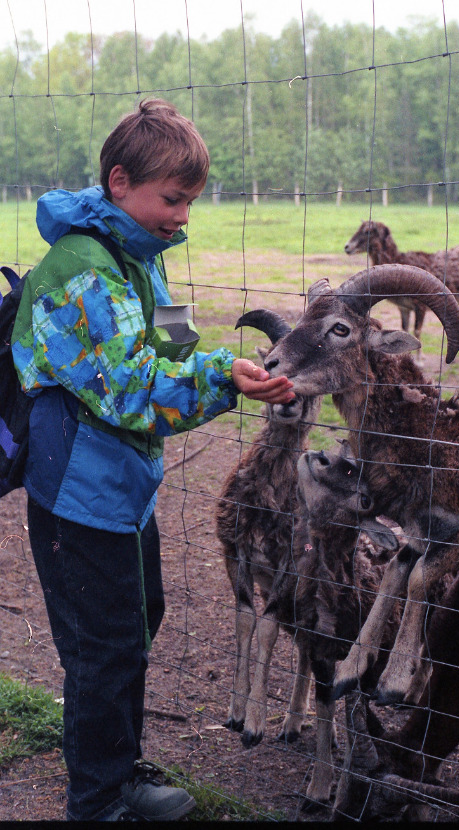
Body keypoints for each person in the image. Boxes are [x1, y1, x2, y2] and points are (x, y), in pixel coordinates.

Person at [11, 98, 294, 822]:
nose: (183, 217)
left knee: (137, 624)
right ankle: (98, 802)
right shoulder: (83, 273)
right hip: (77, 494)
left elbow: (172, 342)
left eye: (191, 201)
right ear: (119, 182)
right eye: (173, 199)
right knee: (102, 649)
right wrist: (219, 379)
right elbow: (130, 388)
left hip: (121, 489)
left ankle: (118, 769)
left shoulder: (140, 261)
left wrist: (225, 366)